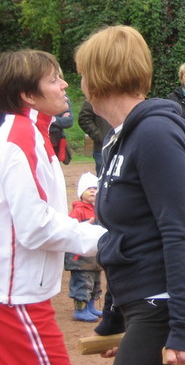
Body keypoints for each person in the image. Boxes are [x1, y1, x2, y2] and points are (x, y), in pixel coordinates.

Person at [75, 25, 185, 365]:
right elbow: (121, 236)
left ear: (99, 77)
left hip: (165, 306)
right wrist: (113, 319)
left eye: (82, 74)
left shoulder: (155, 133)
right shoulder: (120, 136)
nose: (80, 84)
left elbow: (179, 231)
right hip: (141, 302)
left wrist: (184, 328)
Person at [0, 49, 106, 365]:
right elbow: (35, 226)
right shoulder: (20, 136)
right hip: (17, 297)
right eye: (53, 79)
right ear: (28, 95)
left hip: (21, 292)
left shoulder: (31, 131)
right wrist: (103, 238)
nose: (64, 85)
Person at [66, 171, 104, 322]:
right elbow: (70, 229)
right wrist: (83, 225)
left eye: (95, 188)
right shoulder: (78, 210)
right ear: (81, 193)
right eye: (88, 189)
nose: (92, 191)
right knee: (82, 283)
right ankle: (80, 310)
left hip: (94, 256)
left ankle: (90, 306)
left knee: (95, 283)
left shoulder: (99, 209)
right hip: (80, 257)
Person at [79, 99, 113, 175]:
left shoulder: (128, 95)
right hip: (102, 148)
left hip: (126, 147)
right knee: (103, 177)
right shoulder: (95, 95)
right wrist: (100, 136)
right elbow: (84, 119)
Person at [49, 94, 73, 164]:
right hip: (42, 140)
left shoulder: (64, 96)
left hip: (57, 140)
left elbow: (69, 121)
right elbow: (38, 119)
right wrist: (60, 119)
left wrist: (51, 119)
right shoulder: (39, 96)